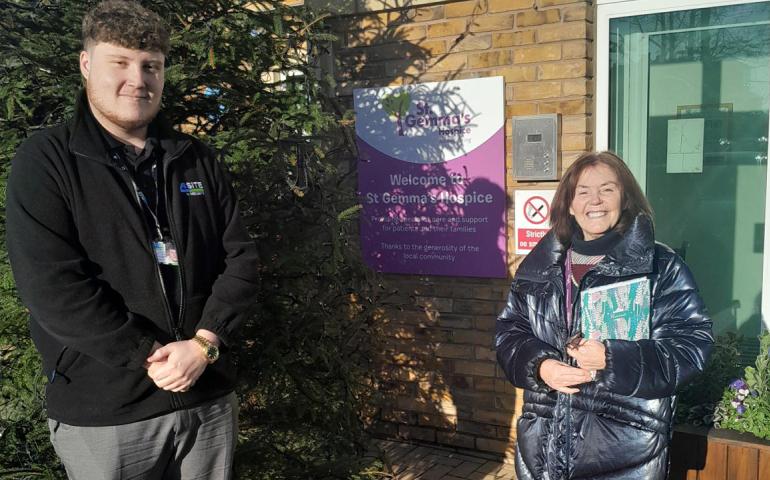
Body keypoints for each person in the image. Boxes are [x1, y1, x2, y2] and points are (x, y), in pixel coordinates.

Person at [6, 1, 259, 478]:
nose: (137, 80)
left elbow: (241, 259)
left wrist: (203, 345)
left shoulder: (196, 160)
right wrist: (149, 356)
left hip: (206, 399)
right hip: (109, 413)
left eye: (151, 66)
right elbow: (53, 287)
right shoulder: (46, 162)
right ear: (86, 64)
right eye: (119, 62)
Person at [496, 151, 713, 479]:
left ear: (625, 199)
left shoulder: (661, 267)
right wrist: (539, 366)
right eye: (582, 191)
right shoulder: (540, 267)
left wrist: (614, 360)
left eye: (607, 189)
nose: (594, 200)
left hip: (625, 457)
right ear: (569, 204)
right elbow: (509, 332)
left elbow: (691, 347)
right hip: (542, 454)